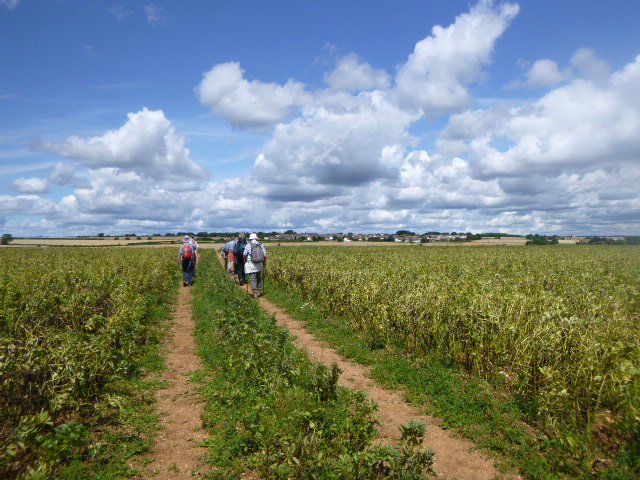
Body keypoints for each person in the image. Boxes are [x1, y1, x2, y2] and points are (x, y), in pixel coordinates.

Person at [243, 233, 267, 298]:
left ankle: (255, 292)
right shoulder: (261, 245)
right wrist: (263, 262)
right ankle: (259, 290)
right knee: (259, 276)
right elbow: (265, 255)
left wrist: (245, 261)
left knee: (252, 278)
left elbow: (245, 255)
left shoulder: (248, 245)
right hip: (259, 262)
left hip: (251, 262)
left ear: (250, 238)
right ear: (256, 238)